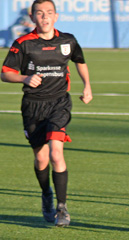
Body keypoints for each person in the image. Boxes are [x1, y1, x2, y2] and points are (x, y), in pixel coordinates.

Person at [1, 0, 92, 227]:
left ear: (56, 16)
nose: (45, 17)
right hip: (32, 106)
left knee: (55, 153)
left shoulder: (68, 41)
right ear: (32, 17)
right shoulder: (23, 43)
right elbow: (5, 73)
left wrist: (87, 86)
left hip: (59, 104)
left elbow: (80, 61)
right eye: (39, 13)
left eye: (49, 13)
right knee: (41, 158)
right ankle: (46, 194)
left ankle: (62, 208)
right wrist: (24, 78)